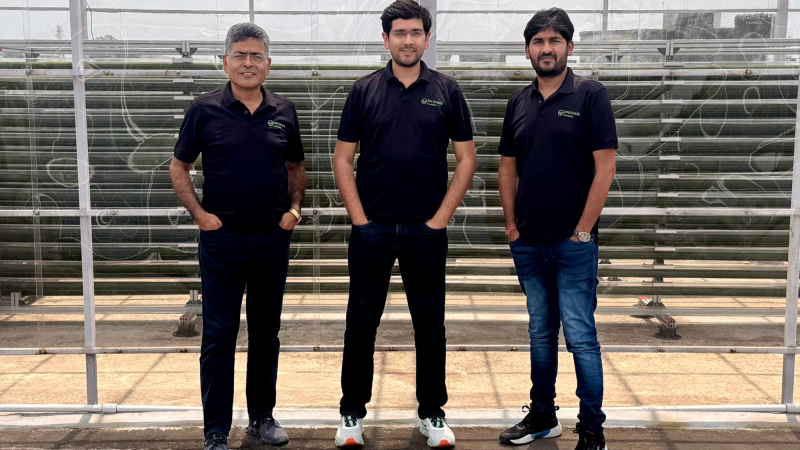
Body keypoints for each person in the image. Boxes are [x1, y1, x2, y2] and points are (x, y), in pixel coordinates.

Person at [331, 1, 477, 447]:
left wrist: (440, 219)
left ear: (427, 39)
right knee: (361, 324)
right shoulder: (364, 91)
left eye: (416, 32)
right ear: (386, 39)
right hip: (372, 230)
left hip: (425, 232)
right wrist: (359, 219)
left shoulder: (447, 90)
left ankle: (432, 414)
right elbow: (342, 158)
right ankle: (351, 414)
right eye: (399, 33)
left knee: (430, 326)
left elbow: (467, 159)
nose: (408, 40)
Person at [169, 22, 306, 450]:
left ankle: (261, 418)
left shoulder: (284, 111)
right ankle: (215, 431)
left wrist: (294, 210)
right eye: (241, 55)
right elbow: (179, 167)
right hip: (222, 241)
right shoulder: (204, 110)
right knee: (219, 335)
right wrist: (200, 215)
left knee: (266, 333)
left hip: (271, 239)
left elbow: (295, 166)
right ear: (225, 62)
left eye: (257, 56)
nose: (249, 63)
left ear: (269, 63)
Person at [496, 7, 617, 450]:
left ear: (569, 46)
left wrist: (583, 231)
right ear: (528, 50)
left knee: (581, 337)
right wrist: (512, 225)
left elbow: (605, 169)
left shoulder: (590, 96)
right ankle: (543, 416)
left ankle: (592, 429)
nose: (546, 49)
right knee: (540, 334)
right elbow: (507, 168)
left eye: (554, 40)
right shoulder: (518, 103)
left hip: (574, 245)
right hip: (529, 242)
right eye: (538, 42)